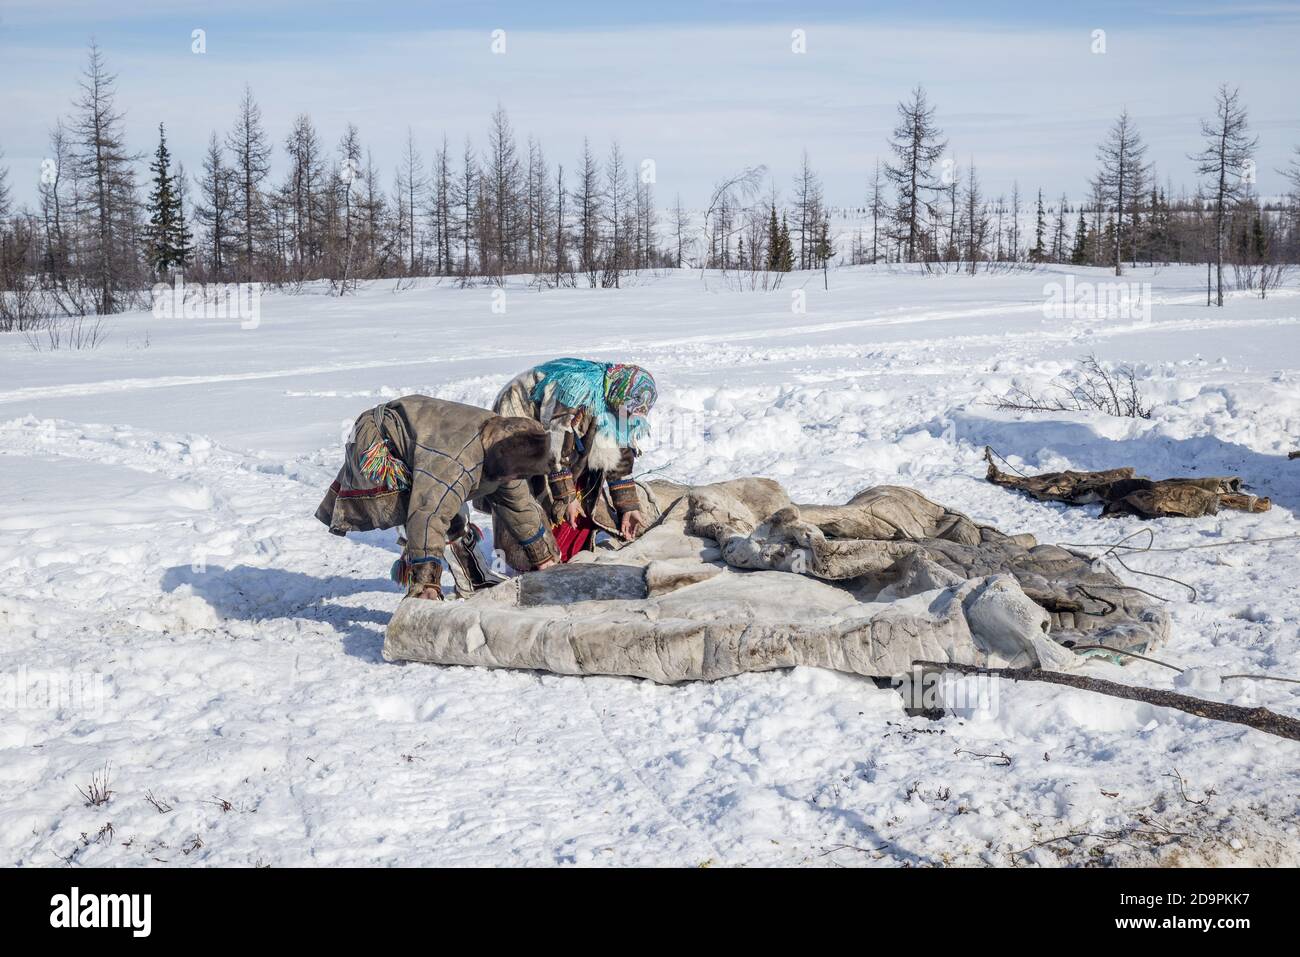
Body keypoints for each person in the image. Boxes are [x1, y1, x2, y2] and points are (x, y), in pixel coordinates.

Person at [315, 396, 558, 600]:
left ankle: (473, 579)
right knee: (435, 513)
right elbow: (428, 515)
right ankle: (421, 589)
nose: (516, 479)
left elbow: (519, 507)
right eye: (517, 474)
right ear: (505, 465)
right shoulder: (458, 461)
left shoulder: (506, 445)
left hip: (428, 441)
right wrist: (427, 583)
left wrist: (543, 558)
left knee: (450, 506)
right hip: (382, 443)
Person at [492, 358, 657, 566]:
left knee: (584, 479)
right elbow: (556, 444)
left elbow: (619, 451)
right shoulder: (573, 390)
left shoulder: (617, 400)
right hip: (518, 425)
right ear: (620, 395)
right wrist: (566, 498)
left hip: (557, 436)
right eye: (628, 410)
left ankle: (567, 544)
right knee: (529, 492)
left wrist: (628, 506)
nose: (628, 415)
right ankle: (533, 553)